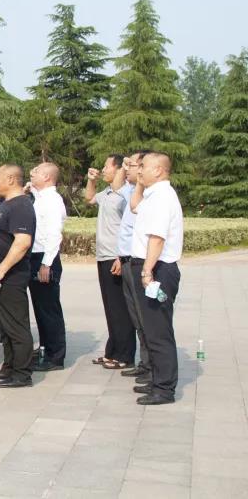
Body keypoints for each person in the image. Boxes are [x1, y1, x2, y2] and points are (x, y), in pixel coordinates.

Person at [131, 152, 184, 405]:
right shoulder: (153, 195)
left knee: (158, 331)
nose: (139, 170)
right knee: (151, 330)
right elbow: (134, 207)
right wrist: (140, 184)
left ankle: (164, 388)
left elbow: (157, 238)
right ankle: (156, 379)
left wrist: (147, 271)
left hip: (158, 270)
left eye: (144, 166)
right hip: (152, 267)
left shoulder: (163, 197)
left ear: (159, 171)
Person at [0, 165, 36, 388]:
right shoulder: (6, 203)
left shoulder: (21, 205)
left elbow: (22, 242)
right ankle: (9, 366)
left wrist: (1, 270)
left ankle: (22, 373)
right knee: (3, 324)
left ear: (12, 179)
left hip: (10, 276)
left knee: (16, 325)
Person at [85, 155, 136, 370]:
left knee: (120, 308)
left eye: (107, 166)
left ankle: (124, 355)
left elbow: (131, 229)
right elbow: (89, 199)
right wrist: (91, 181)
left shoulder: (126, 195)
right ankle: (112, 351)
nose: (103, 169)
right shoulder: (106, 193)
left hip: (116, 258)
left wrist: (121, 257)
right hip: (103, 256)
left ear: (118, 169)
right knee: (110, 307)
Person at [113, 150, 153, 382]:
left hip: (140, 262)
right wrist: (125, 167)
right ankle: (144, 363)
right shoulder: (132, 191)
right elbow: (116, 185)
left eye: (133, 165)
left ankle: (152, 366)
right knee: (136, 317)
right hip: (127, 259)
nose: (127, 168)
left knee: (146, 317)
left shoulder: (151, 195)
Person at [27, 162, 68, 372]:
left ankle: (55, 356)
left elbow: (54, 233)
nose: (31, 173)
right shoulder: (40, 197)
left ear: (47, 177)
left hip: (45, 257)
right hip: (35, 256)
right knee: (40, 308)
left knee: (49, 309)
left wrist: (46, 263)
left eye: (36, 171)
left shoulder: (52, 200)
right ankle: (45, 348)